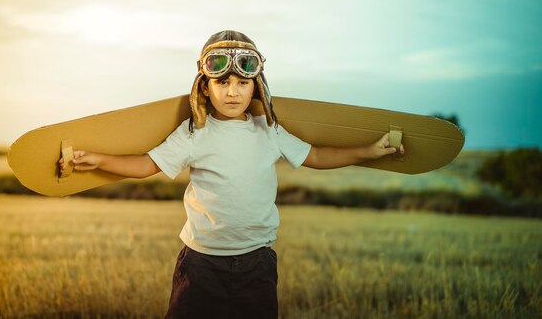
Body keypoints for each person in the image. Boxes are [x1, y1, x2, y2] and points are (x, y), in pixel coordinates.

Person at [60, 30, 404, 318]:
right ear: (205, 85)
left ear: (257, 86)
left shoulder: (268, 129)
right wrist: (98, 159)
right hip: (200, 265)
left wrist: (368, 151)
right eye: (222, 82)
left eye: (243, 82)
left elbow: (315, 155)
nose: (232, 91)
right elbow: (147, 164)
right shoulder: (194, 131)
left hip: (257, 264)